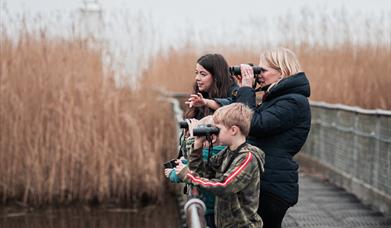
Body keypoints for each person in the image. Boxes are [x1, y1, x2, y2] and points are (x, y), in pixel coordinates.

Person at [236, 47, 311, 228]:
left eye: (263, 70)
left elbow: (254, 125)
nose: (258, 74)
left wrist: (247, 89)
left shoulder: (293, 101)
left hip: (272, 184)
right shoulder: (277, 98)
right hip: (265, 179)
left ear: (282, 72)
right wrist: (243, 89)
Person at [176, 103, 265, 228]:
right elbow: (202, 171)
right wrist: (197, 144)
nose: (215, 133)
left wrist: (188, 176)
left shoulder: (247, 158)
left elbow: (224, 186)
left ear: (233, 130)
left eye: (218, 129)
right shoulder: (228, 152)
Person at [164, 115, 225, 228]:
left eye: (199, 135)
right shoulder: (224, 152)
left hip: (207, 208)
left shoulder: (207, 154)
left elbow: (189, 170)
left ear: (212, 138)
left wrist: (172, 173)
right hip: (218, 209)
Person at [184, 53, 238, 119]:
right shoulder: (200, 94)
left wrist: (206, 102)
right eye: (196, 73)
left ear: (216, 76)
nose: (197, 78)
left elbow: (234, 107)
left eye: (203, 74)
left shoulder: (234, 91)